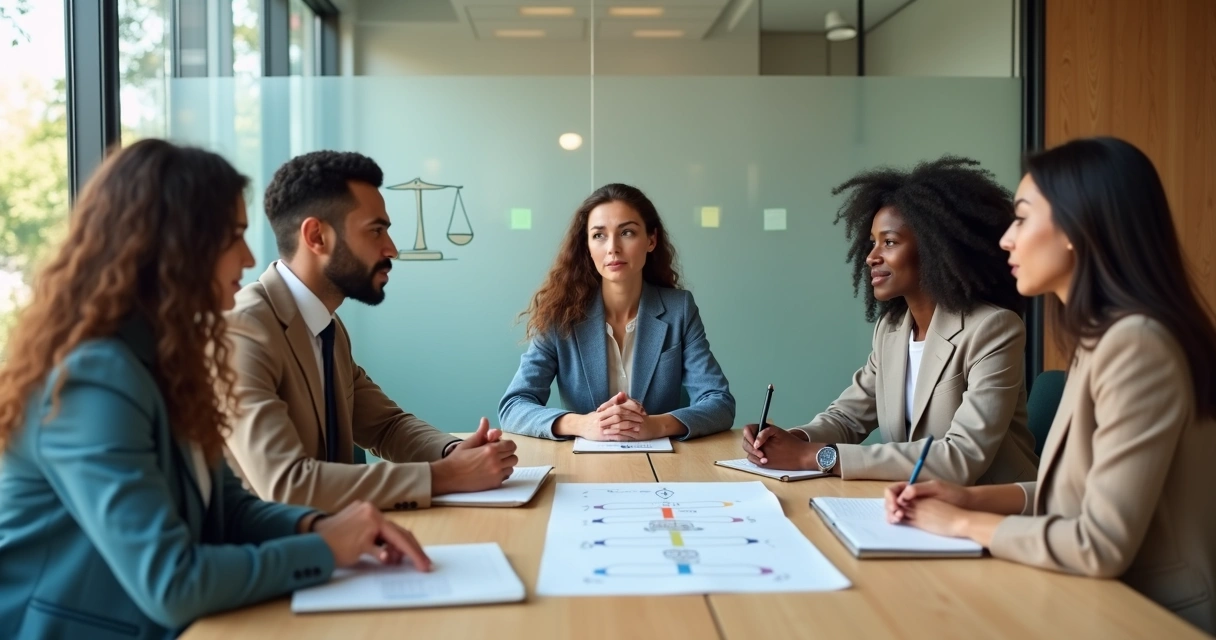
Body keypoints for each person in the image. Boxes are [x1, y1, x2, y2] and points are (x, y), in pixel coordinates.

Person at [0, 140, 430, 639]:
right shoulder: (94, 379)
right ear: (173, 247)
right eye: (234, 237)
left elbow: (229, 509)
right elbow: (173, 583)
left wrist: (319, 528)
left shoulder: (167, 362)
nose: (249, 259)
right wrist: (326, 548)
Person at [886, 137, 1216, 634]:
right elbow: (1077, 496)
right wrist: (969, 499)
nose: (1006, 240)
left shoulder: (1138, 344)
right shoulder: (1103, 338)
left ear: (1076, 229)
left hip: (1148, 615)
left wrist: (958, 524)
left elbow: (1098, 543)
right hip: (1088, 599)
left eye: (1022, 218)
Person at [223, 150, 517, 513]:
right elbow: (286, 484)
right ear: (316, 236)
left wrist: (453, 452)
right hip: (282, 556)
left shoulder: (326, 325)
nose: (391, 249)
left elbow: (385, 426)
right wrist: (446, 476)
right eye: (376, 230)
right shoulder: (244, 330)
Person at [744, 156, 1038, 484]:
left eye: (890, 242)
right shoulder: (892, 330)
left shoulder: (993, 329)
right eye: (873, 243)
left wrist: (813, 456)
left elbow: (963, 456)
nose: (872, 256)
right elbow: (847, 418)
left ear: (935, 249)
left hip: (991, 510)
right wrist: (790, 439)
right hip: (914, 504)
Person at [500, 183, 735, 441]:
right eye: (599, 235)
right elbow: (514, 407)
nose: (613, 247)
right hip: (585, 465)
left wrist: (655, 425)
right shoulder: (560, 315)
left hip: (663, 462)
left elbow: (719, 402)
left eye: (627, 232)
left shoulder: (679, 309)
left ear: (651, 240)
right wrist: (583, 425)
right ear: (587, 246)